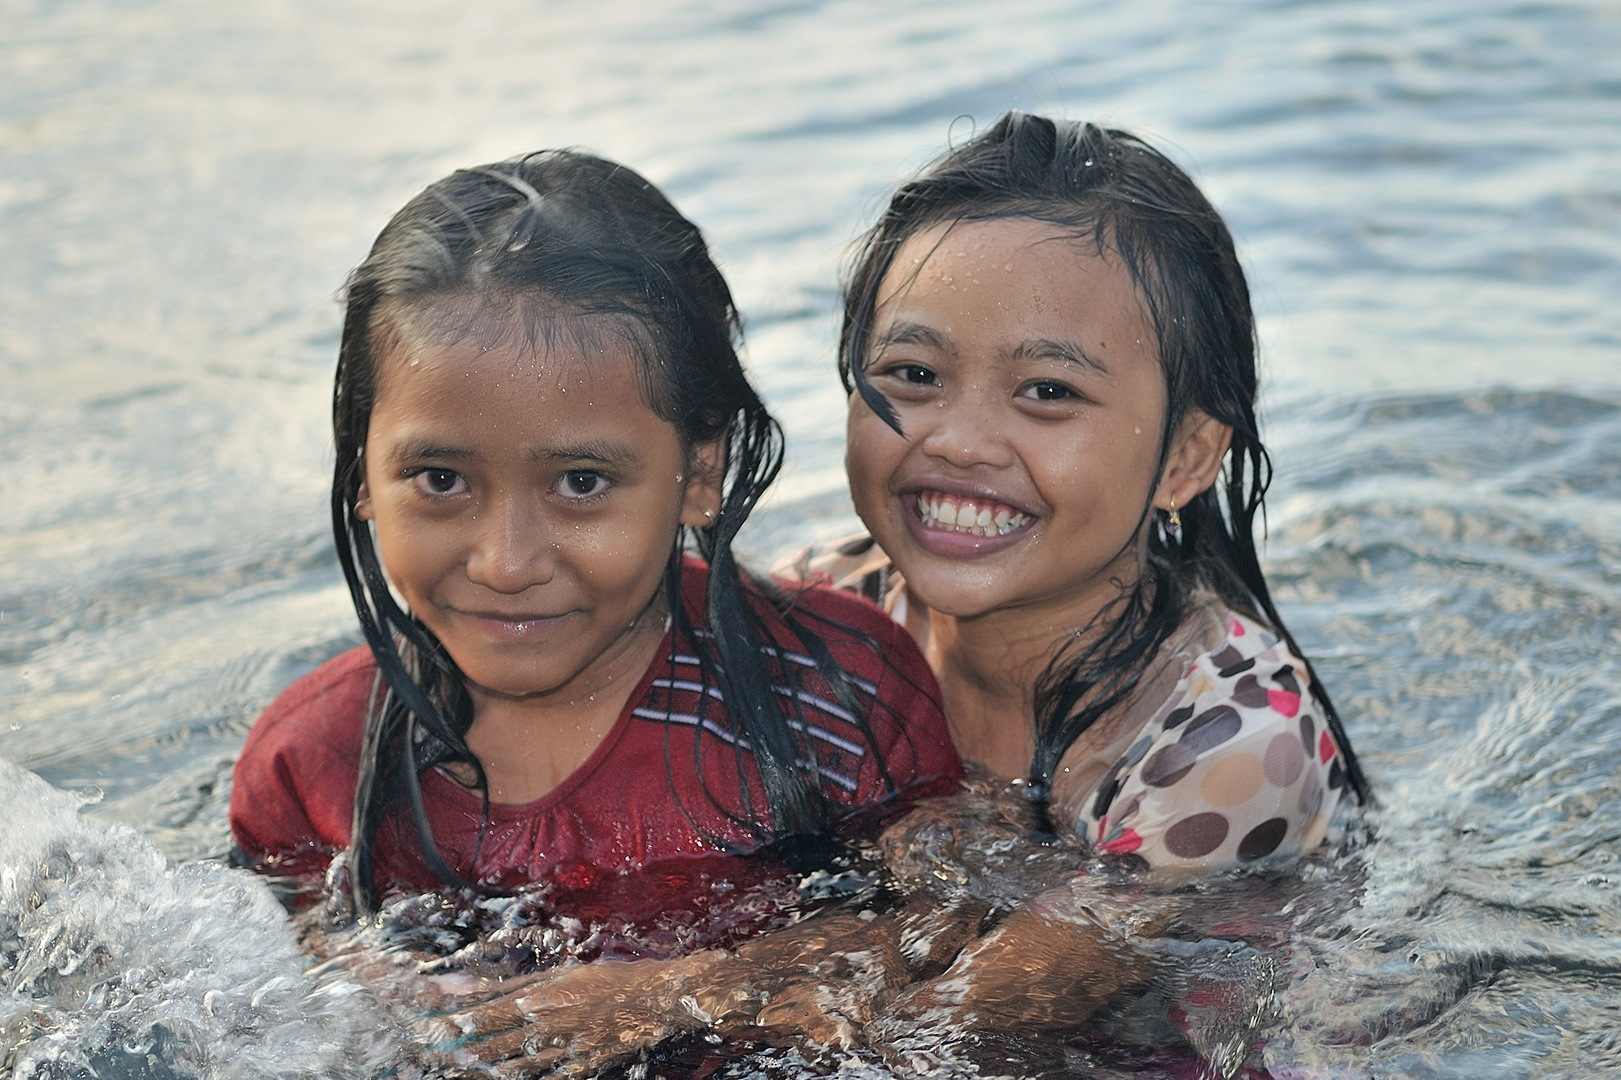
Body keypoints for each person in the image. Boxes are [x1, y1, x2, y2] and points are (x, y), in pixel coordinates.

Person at [410, 114, 1371, 1076]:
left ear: (1186, 457)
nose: (958, 440)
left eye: (1046, 392)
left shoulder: (1233, 743)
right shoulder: (834, 599)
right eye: (913, 375)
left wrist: (658, 994)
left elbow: (975, 1012)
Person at [228, 150, 962, 918]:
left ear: (700, 472)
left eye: (581, 482)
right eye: (440, 480)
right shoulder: (311, 767)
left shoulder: (835, 701)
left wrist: (662, 997)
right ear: (363, 478)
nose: (505, 564)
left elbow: (932, 947)